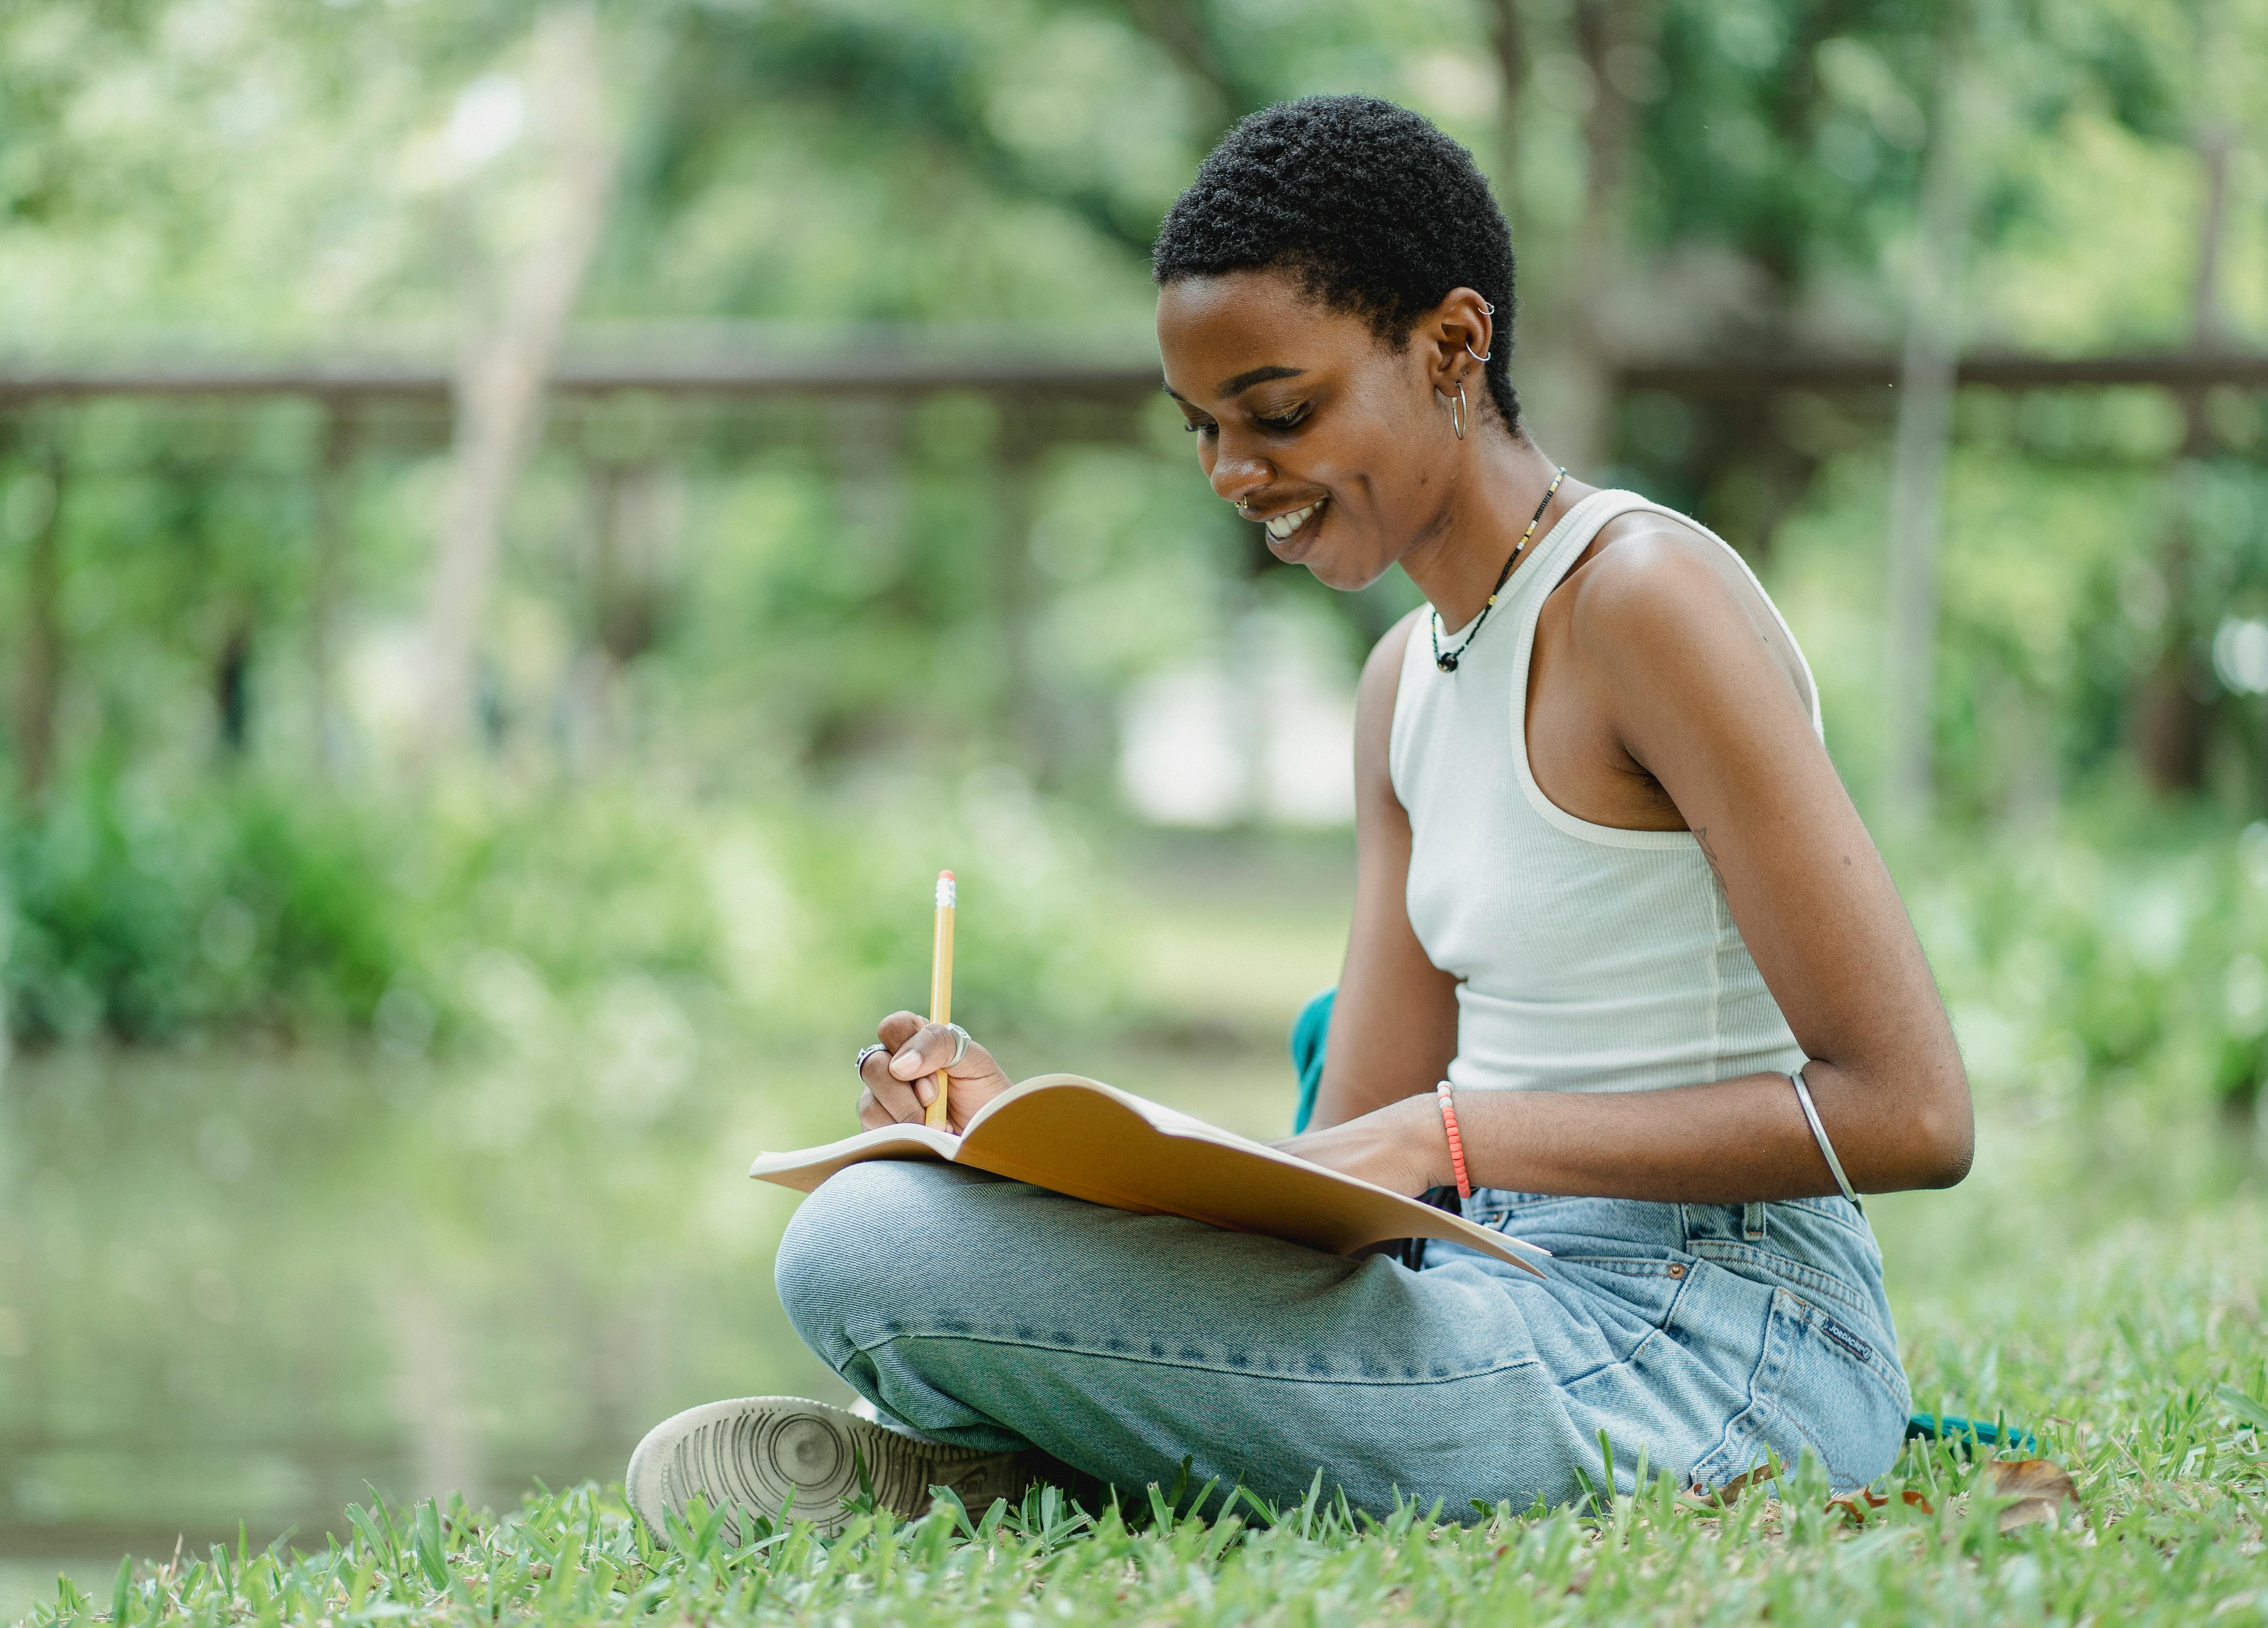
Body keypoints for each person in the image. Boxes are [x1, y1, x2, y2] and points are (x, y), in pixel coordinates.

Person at [626, 94, 1972, 1536]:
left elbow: (1909, 1112)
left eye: (1279, 414)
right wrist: (1020, 1141)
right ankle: (1083, 1445)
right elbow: (1337, 1181)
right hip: (1475, 1285)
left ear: (1454, 349)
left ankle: (1057, 1457)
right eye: (1203, 428)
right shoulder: (1403, 685)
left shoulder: (1644, 602)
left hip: (1718, 1347)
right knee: (866, 1236)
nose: (1231, 474)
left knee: (861, 1256)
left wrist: (1452, 1143)